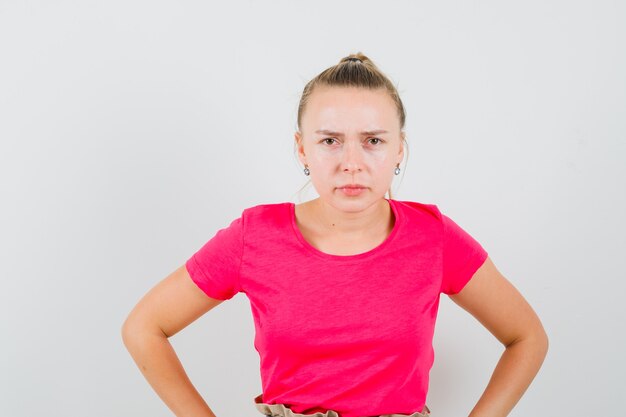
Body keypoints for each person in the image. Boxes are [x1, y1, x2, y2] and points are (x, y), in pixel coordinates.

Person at [121, 52, 549, 417]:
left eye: (373, 141)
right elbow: (145, 327)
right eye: (330, 140)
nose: (352, 162)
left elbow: (527, 338)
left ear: (399, 148)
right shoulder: (254, 237)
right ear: (302, 148)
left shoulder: (433, 238)